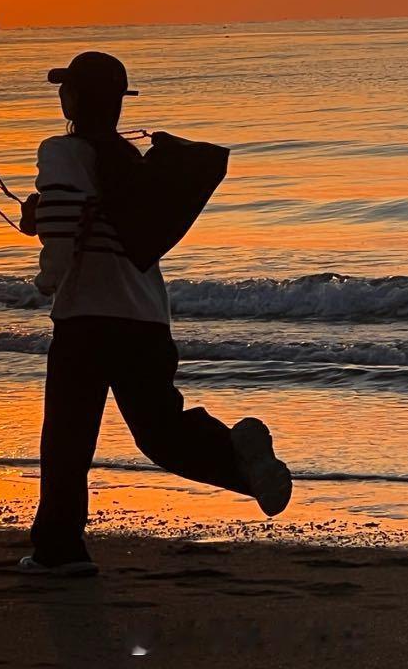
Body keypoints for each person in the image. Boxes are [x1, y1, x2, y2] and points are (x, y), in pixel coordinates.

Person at [21, 51, 292, 576]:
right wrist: (48, 215)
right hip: (146, 321)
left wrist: (48, 280)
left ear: (74, 99)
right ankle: (238, 454)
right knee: (162, 435)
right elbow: (91, 219)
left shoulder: (61, 151)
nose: (61, 96)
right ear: (118, 106)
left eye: (65, 89)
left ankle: (59, 549)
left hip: (86, 322)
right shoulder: (134, 164)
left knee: (66, 442)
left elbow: (60, 221)